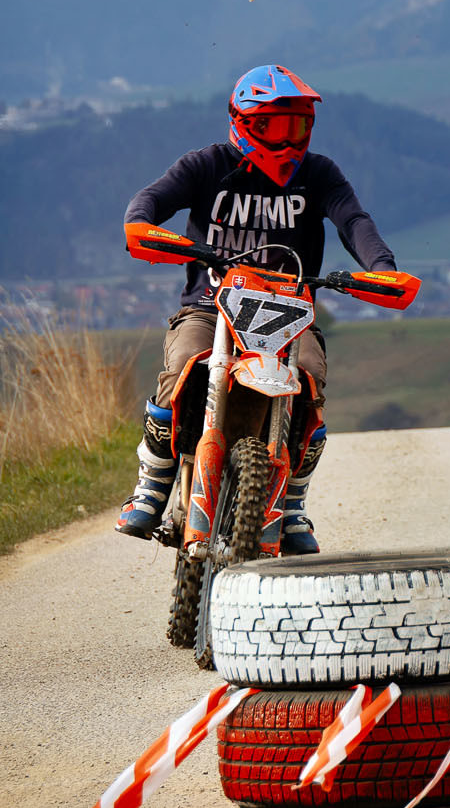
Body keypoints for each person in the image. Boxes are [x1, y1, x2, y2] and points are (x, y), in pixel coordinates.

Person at [116, 65, 400, 554]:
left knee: (309, 376)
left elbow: (353, 220)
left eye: (299, 126)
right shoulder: (205, 166)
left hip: (287, 316)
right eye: (275, 126)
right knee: (182, 363)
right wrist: (142, 222)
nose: (289, 140)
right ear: (243, 122)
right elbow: (151, 199)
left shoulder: (319, 174)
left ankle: (291, 501)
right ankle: (154, 483)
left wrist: (382, 267)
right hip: (211, 308)